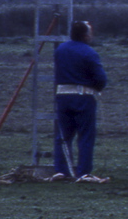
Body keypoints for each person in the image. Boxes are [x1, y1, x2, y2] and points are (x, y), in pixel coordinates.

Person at [52, 19, 109, 183]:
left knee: (63, 136)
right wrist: (98, 87)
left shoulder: (60, 50)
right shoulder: (89, 52)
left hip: (62, 96)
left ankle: (61, 171)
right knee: (85, 135)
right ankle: (83, 173)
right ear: (85, 35)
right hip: (83, 97)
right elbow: (100, 78)